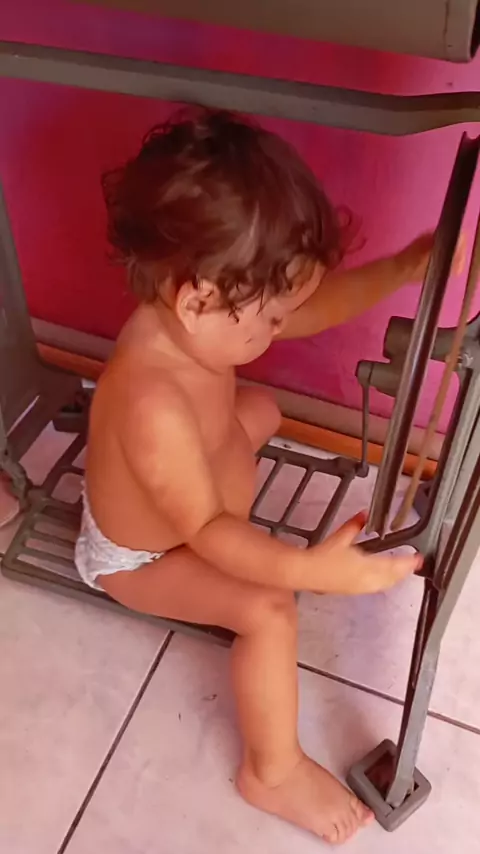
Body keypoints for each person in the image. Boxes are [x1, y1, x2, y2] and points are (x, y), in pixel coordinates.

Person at [75, 108, 441, 844]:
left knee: (262, 408)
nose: (281, 328)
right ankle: (270, 771)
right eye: (270, 319)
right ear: (199, 301)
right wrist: (309, 571)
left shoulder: (195, 312)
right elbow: (210, 531)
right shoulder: (151, 404)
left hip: (193, 483)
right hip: (145, 558)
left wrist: (406, 264)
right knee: (269, 608)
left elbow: (311, 308)